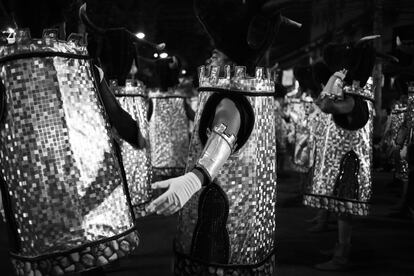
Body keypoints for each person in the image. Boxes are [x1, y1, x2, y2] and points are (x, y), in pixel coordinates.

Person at [146, 0, 301, 275]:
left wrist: (193, 179)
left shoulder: (229, 98)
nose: (209, 60)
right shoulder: (250, 94)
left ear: (230, 60)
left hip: (225, 228)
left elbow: (224, 135)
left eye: (215, 54)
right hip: (250, 226)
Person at [0, 1, 140, 275]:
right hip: (87, 220)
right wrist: (137, 137)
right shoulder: (83, 65)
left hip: (37, 216)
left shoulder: (6, 67)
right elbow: (117, 117)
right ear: (61, 25)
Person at [303, 37, 378, 271]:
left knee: (344, 211)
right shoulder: (354, 97)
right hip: (345, 162)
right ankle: (340, 246)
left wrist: (335, 76)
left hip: (349, 164)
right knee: (340, 209)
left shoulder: (352, 102)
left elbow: (323, 104)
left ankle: (342, 254)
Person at [148, 56, 195, 182]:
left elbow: (145, 121)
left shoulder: (153, 99)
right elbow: (195, 118)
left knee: (160, 190)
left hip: (159, 158)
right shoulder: (181, 98)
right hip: (179, 156)